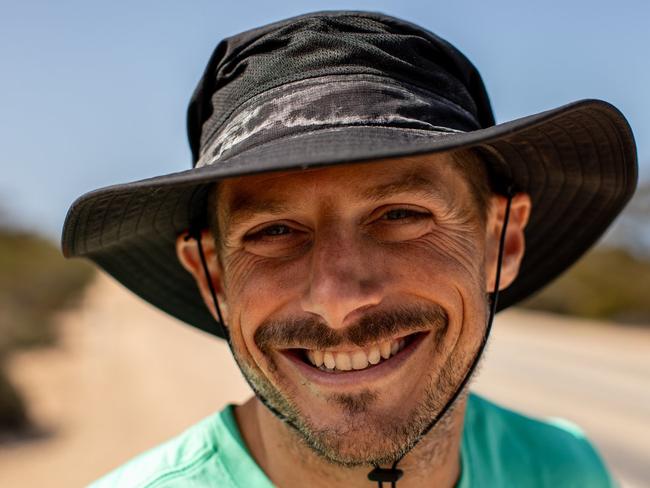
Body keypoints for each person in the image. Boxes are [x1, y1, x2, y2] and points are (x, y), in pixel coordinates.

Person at [62, 11, 637, 488]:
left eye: (400, 215)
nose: (337, 301)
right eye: (274, 232)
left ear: (501, 242)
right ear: (211, 273)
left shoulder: (564, 469)